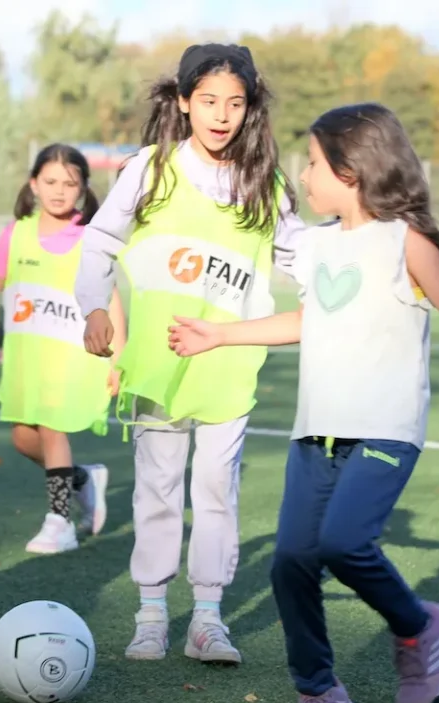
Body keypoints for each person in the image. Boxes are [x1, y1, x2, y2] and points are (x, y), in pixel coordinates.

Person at [168, 102, 439, 703]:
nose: (305, 176)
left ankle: (421, 628)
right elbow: (309, 320)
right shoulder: (318, 245)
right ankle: (320, 695)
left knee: (344, 542)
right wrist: (220, 335)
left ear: (353, 171)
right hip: (315, 433)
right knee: (291, 562)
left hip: (386, 430)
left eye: (315, 163)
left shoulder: (403, 242)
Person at [75, 43, 304, 665]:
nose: (222, 114)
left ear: (250, 106)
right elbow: (97, 243)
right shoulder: (151, 169)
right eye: (208, 100)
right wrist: (95, 308)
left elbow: (302, 260)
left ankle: (207, 618)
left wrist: (351, 286)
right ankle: (151, 614)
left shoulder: (265, 183)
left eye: (235, 101)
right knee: (157, 485)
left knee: (215, 487)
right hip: (158, 363)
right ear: (183, 101)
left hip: (229, 365)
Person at [0, 144, 122, 552]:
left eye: (69, 183)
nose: (59, 191)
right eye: (50, 182)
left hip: (72, 356)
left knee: (50, 425)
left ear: (82, 189)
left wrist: (118, 357)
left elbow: (109, 298)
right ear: (33, 184)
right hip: (28, 356)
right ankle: (81, 478)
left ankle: (59, 521)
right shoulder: (18, 232)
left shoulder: (90, 239)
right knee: (24, 438)